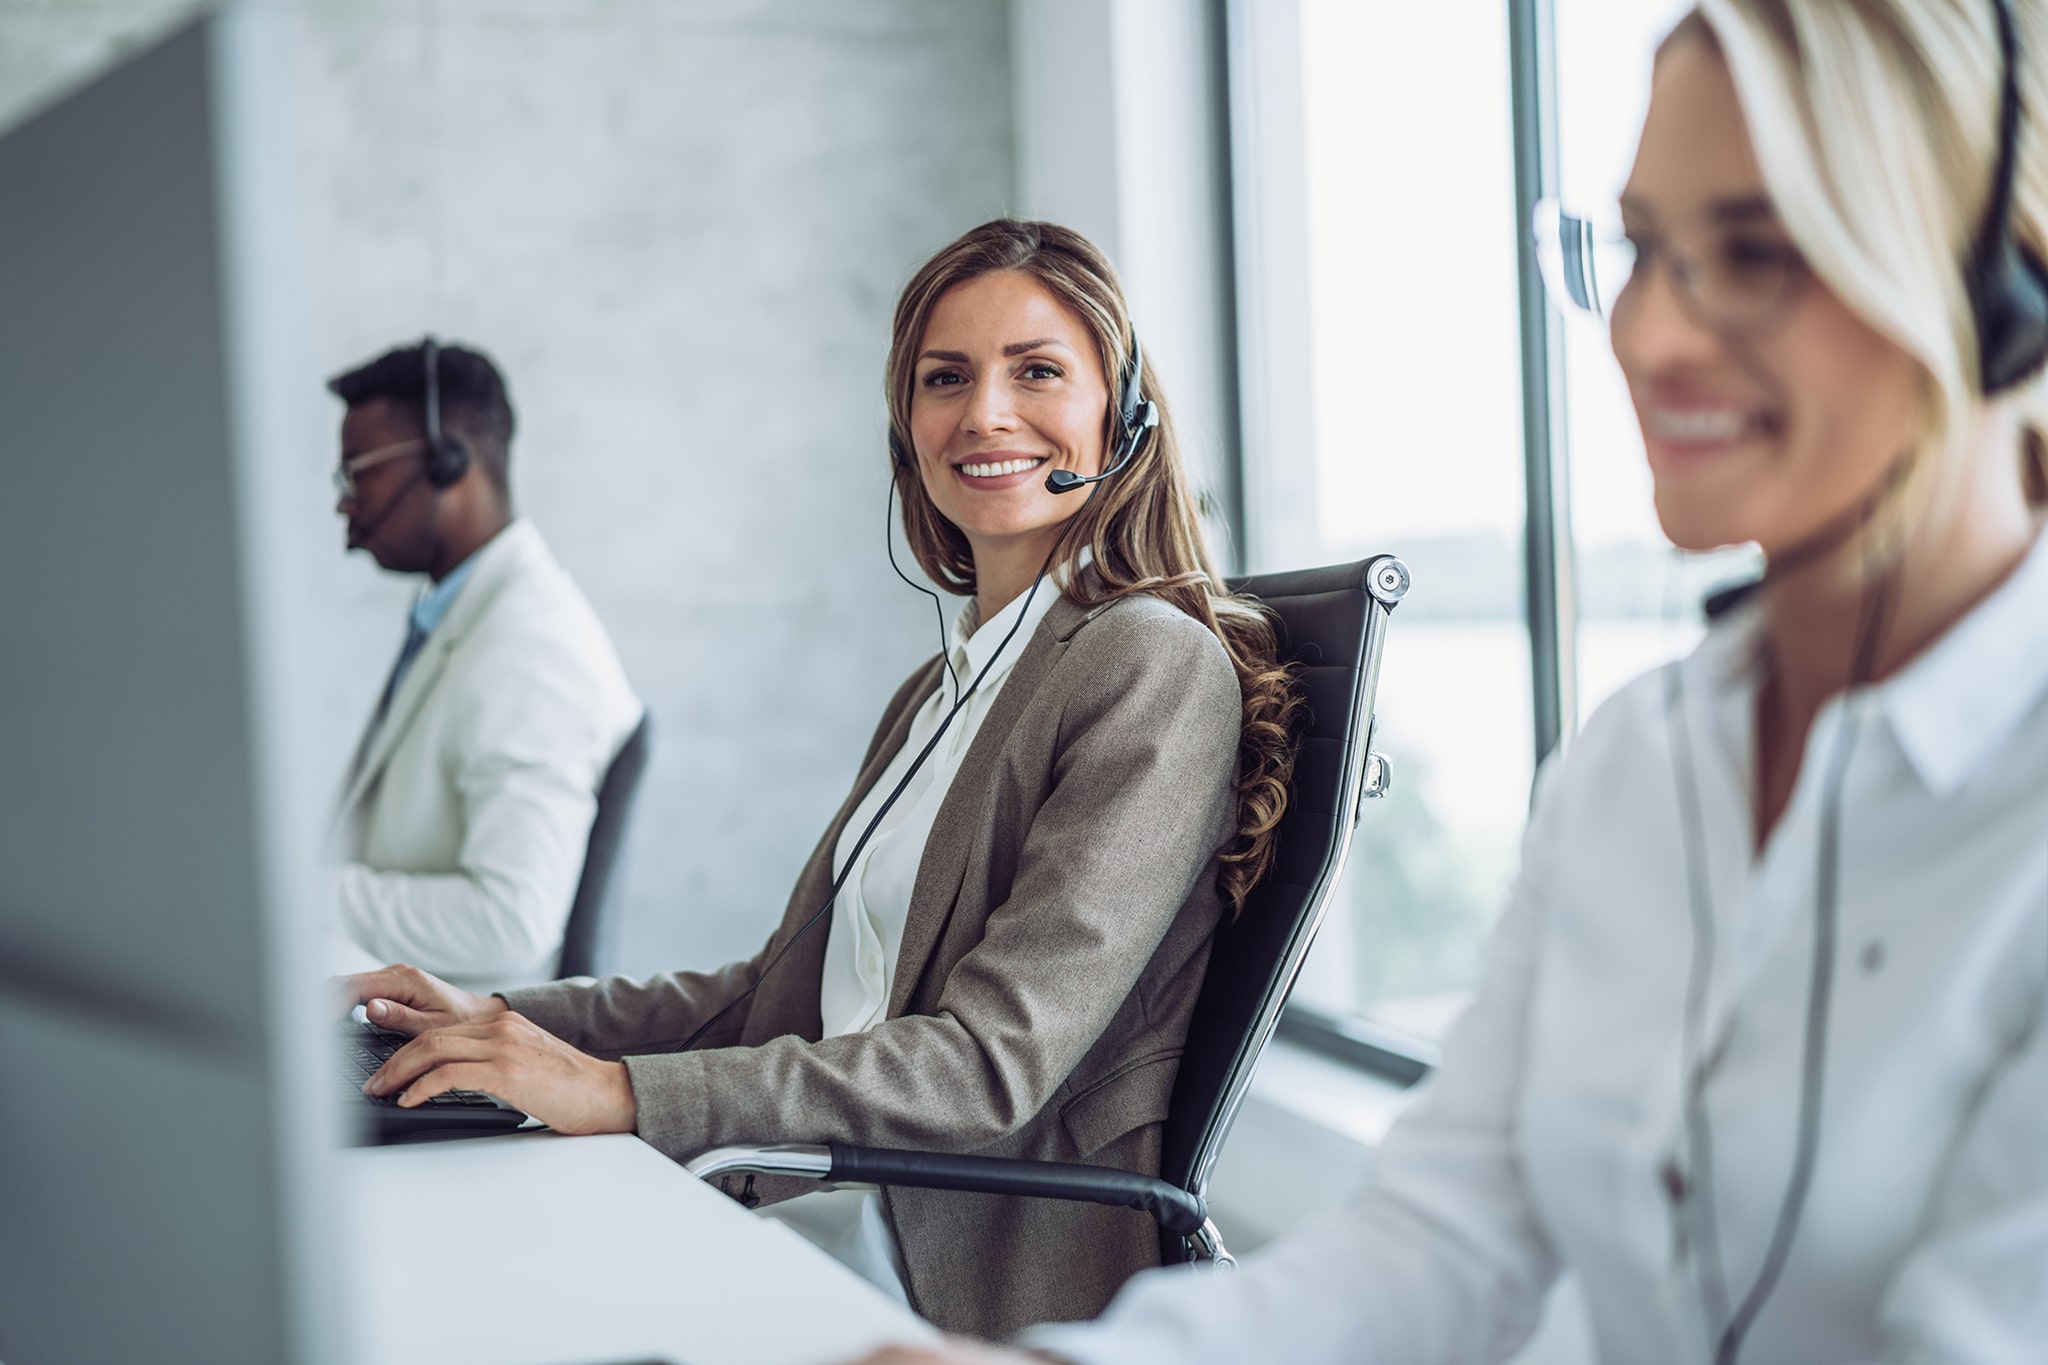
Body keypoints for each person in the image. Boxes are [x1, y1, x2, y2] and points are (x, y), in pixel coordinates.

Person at [847, 2, 2048, 1363]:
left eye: (1757, 252)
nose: (1650, 335)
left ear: (1997, 293)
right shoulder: (1641, 761)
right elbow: (1439, 1244)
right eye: (1645, 250)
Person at [339, 223, 1301, 1338]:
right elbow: (770, 997)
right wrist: (497, 1019)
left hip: (953, 1264)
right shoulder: (942, 688)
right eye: (946, 379)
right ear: (909, 431)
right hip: (822, 1207)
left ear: (1120, 416)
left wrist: (618, 1097)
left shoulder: (1148, 664)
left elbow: (988, 1067)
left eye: (1036, 371)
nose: (984, 413)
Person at [327, 338, 642, 993]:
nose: (344, 501)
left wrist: (305, 897)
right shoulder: (459, 614)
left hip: (452, 1041)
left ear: (448, 462)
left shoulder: (531, 646)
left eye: (359, 472)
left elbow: (511, 922)